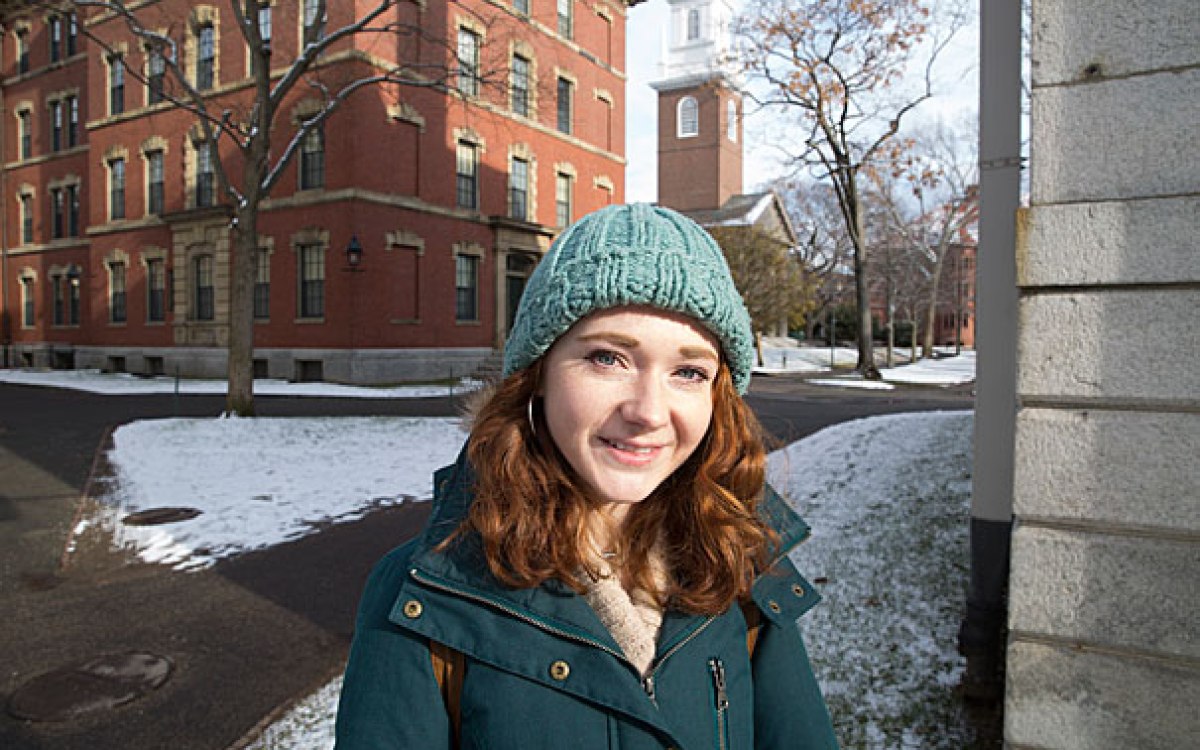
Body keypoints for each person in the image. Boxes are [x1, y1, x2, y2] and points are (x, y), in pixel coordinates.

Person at [335, 203, 838, 749]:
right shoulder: (422, 592)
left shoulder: (741, 564)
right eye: (607, 358)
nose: (648, 412)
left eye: (689, 372)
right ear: (538, 373)